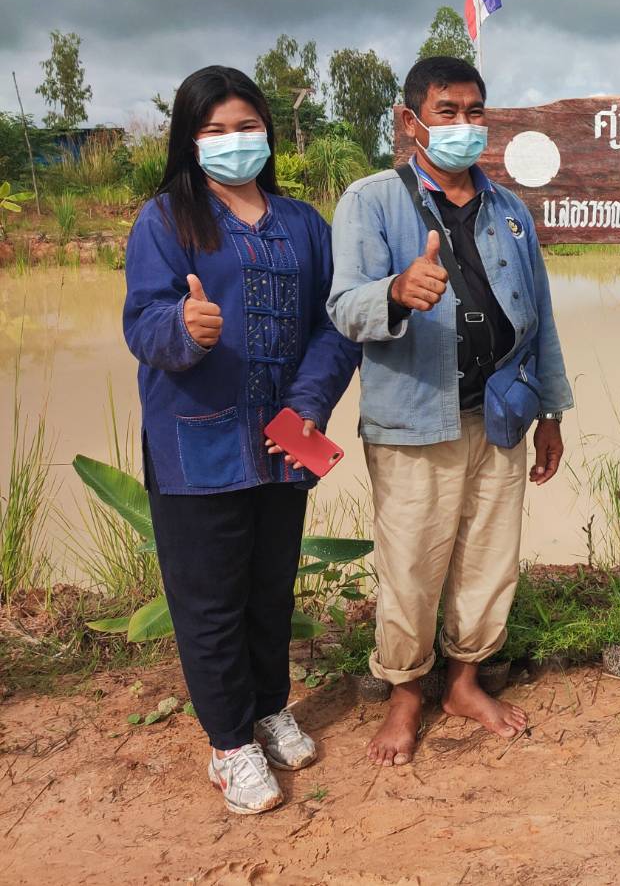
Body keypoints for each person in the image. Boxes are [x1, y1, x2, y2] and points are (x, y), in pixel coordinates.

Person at [122, 66, 359, 815]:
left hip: (286, 437)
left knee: (267, 589)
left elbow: (334, 323)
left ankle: (267, 707)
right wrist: (180, 328)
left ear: (269, 133)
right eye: (216, 130)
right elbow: (141, 321)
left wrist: (310, 401)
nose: (234, 142)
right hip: (200, 444)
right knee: (210, 601)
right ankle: (229, 746)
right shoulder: (165, 220)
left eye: (247, 126)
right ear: (190, 142)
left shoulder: (302, 224)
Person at [328, 56, 573, 767]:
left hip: (501, 416)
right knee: (410, 569)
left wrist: (551, 410)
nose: (464, 127)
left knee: (488, 561)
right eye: (446, 112)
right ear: (410, 122)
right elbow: (343, 309)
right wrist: (397, 291)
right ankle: (405, 693)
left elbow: (542, 320)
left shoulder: (509, 211)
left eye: (474, 112)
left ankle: (463, 681)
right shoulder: (371, 202)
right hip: (413, 420)